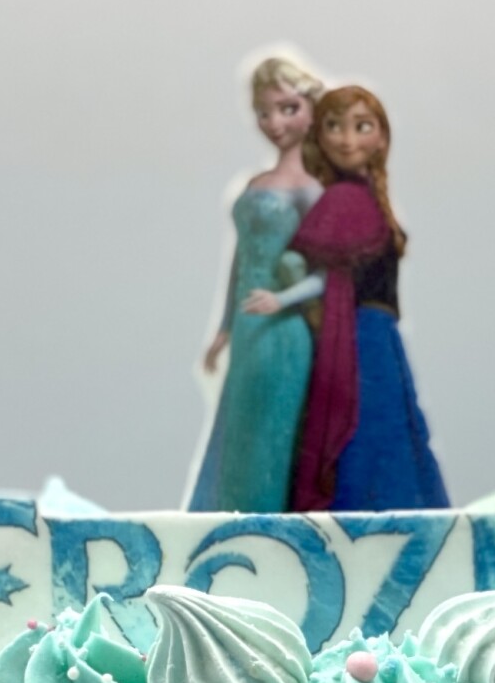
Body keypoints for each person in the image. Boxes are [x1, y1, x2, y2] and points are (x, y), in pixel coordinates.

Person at [243, 84, 449, 512]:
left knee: (388, 429)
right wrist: (282, 299)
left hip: (376, 336)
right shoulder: (342, 199)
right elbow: (320, 274)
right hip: (358, 337)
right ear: (319, 135)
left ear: (381, 137)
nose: (347, 139)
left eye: (362, 126)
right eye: (334, 126)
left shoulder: (365, 195)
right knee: (369, 432)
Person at [186, 54, 327, 513]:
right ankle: (230, 519)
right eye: (264, 113)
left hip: (284, 329)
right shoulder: (255, 183)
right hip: (249, 327)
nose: (274, 123)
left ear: (311, 110)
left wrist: (282, 298)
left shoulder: (311, 190)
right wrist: (224, 327)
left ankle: (268, 522)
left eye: (288, 109)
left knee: (273, 433)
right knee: (238, 431)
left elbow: (327, 274)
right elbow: (240, 259)